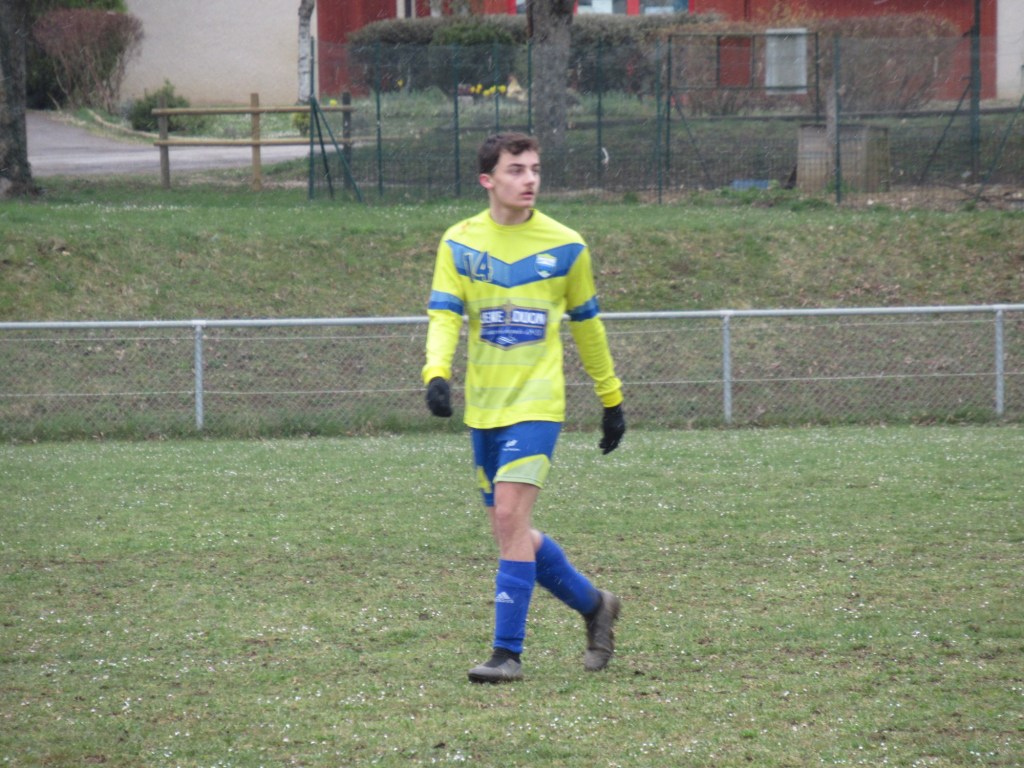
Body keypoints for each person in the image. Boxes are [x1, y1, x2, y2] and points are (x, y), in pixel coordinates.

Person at [422, 132, 626, 684]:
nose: (530, 179)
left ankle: (506, 653)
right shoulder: (459, 242)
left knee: (511, 517)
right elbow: (444, 315)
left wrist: (611, 399)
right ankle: (595, 605)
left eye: (535, 168)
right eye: (516, 170)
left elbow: (588, 327)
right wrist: (436, 372)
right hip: (484, 408)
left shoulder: (567, 245)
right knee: (510, 529)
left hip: (538, 404)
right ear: (487, 180)